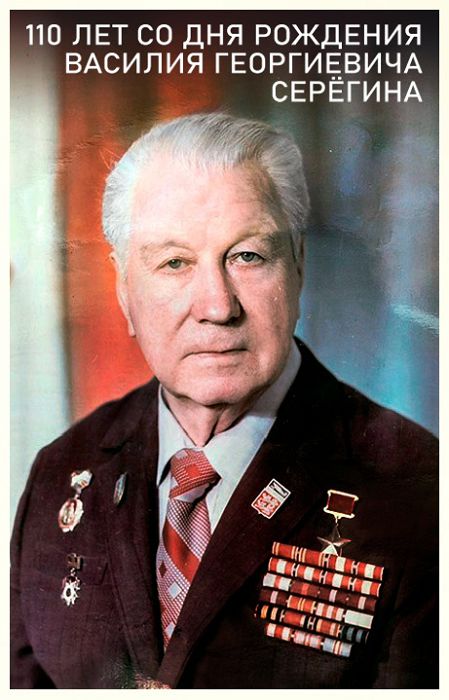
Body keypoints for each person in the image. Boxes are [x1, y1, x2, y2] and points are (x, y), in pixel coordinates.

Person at [10, 112, 438, 689]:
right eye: (175, 263)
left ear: (298, 265)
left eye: (247, 256)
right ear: (124, 289)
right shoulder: (60, 471)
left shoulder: (417, 491)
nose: (217, 306)